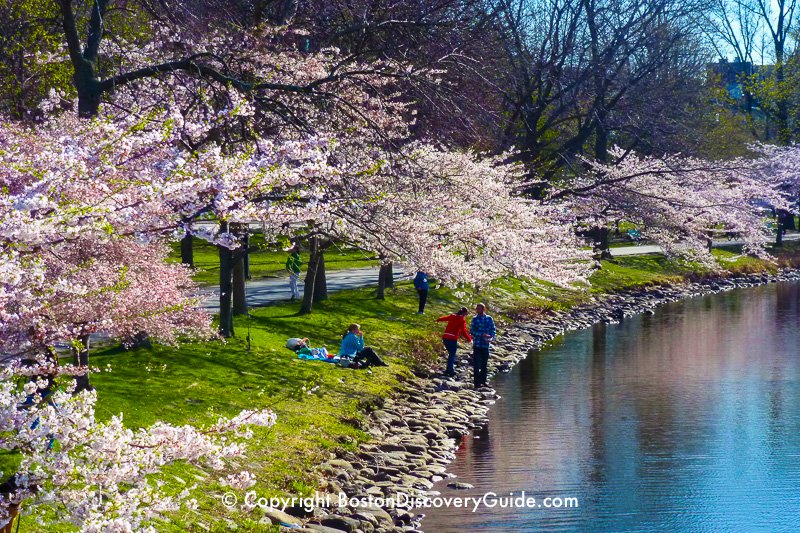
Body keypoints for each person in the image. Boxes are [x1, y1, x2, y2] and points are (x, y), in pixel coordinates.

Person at [436, 307, 472, 377]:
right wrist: (469, 339)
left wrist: (439, 319)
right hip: (452, 338)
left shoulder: (452, 316)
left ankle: (449, 369)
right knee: (452, 355)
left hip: (445, 337)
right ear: (464, 313)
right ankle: (450, 370)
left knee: (451, 354)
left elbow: (445, 318)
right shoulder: (462, 320)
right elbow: (463, 331)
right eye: (466, 314)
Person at [470, 303, 496, 388]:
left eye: (480, 309)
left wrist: (491, 336)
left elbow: (493, 329)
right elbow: (472, 331)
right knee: (476, 365)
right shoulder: (474, 319)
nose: (478, 310)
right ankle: (476, 383)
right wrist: (482, 335)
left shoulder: (489, 319)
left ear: (484, 309)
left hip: (486, 345)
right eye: (477, 309)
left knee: (484, 364)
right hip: (477, 344)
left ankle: (483, 381)